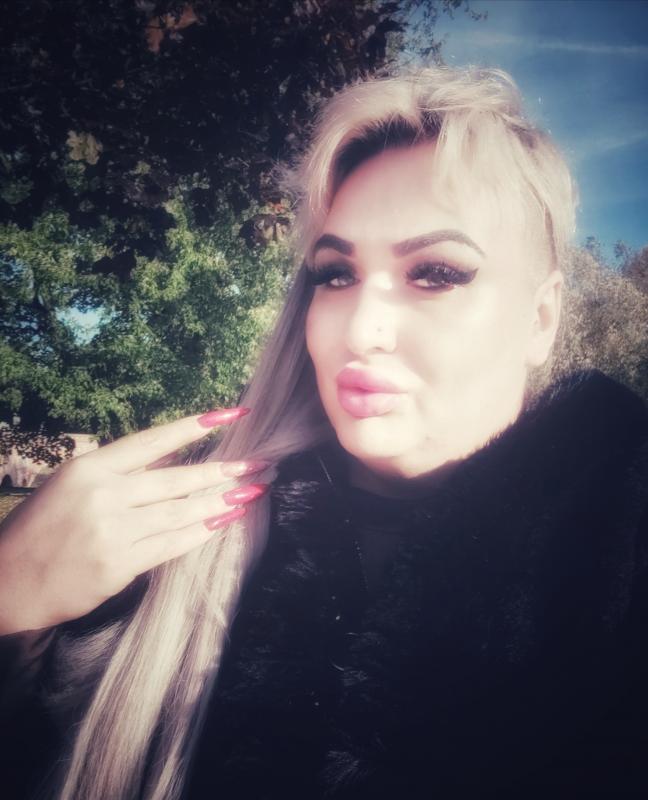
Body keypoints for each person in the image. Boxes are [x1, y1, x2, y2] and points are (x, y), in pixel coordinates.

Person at [1, 65, 647, 800]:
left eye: (436, 273)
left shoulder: (621, 553)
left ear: (541, 318)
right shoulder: (168, 555)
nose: (361, 330)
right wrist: (12, 606)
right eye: (336, 274)